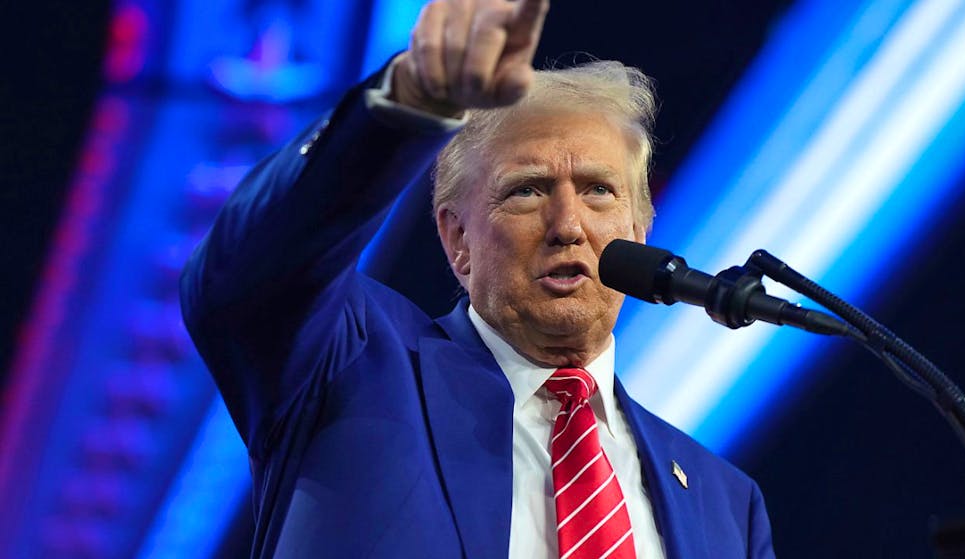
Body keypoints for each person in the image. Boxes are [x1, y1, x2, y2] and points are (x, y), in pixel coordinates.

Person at [180, 0, 776, 557]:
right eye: (527, 191)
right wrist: (407, 106)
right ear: (457, 239)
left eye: (599, 190)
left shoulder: (727, 503)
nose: (568, 225)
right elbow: (250, 274)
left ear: (641, 229)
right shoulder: (353, 364)